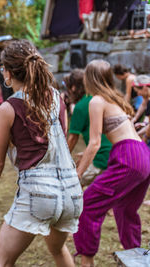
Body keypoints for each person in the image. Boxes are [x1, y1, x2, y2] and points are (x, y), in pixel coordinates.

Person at [0, 40, 82, 267]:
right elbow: (60, 143)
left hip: (39, 194)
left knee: (1, 261)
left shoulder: (8, 109)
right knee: (58, 249)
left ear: (7, 73)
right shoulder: (58, 98)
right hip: (72, 193)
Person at [73, 60, 150, 267]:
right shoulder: (114, 98)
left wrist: (77, 174)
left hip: (129, 157)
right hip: (143, 155)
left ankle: (86, 260)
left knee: (88, 204)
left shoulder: (96, 101)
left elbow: (95, 142)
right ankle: (135, 258)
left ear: (88, 79)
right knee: (125, 209)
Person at [66, 69, 112, 186]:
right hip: (113, 154)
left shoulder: (81, 106)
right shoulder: (100, 98)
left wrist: (62, 159)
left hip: (100, 158)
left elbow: (72, 139)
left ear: (74, 88)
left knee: (70, 185)